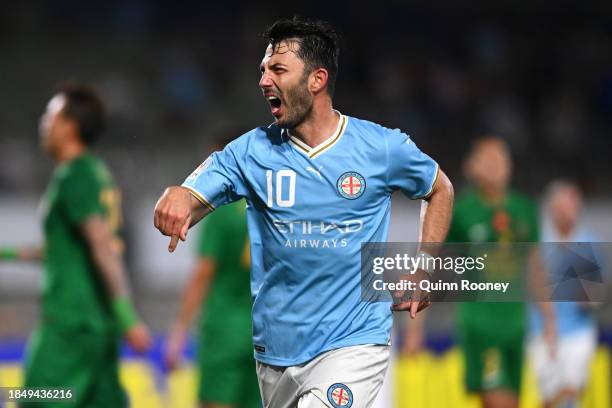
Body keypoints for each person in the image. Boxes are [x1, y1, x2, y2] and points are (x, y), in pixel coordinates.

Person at [154, 17, 454, 408]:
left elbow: (439, 187)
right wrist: (177, 196)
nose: (264, 81)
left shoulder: (380, 147)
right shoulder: (250, 152)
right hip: (276, 353)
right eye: (263, 70)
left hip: (353, 342)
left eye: (278, 69)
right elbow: (191, 193)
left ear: (316, 80)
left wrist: (424, 267)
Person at [0, 84, 151, 407]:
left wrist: (129, 317)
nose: (43, 123)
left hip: (70, 326)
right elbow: (67, 249)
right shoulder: (97, 172)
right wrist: (7, 253)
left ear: (69, 126)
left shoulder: (75, 176)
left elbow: (102, 248)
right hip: (98, 327)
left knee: (33, 399)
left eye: (50, 115)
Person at [440, 136, 554, 408]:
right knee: (498, 401)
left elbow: (535, 268)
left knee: (511, 400)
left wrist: (550, 320)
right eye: (488, 159)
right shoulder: (463, 210)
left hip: (516, 325)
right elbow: (438, 264)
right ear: (472, 167)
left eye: (501, 158)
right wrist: (416, 322)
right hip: (482, 325)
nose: (496, 165)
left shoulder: (525, 209)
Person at [164, 138, 260, 408]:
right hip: (265, 333)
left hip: (224, 334)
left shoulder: (220, 210)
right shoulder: (269, 207)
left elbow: (203, 274)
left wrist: (178, 333)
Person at [529, 181, 599, 407]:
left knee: (571, 390)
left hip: (578, 331)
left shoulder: (589, 243)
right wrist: (549, 325)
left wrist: (590, 297)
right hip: (542, 330)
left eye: (573, 206)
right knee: (549, 396)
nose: (569, 212)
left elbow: (597, 292)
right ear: (552, 209)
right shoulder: (538, 243)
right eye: (564, 207)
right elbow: (534, 285)